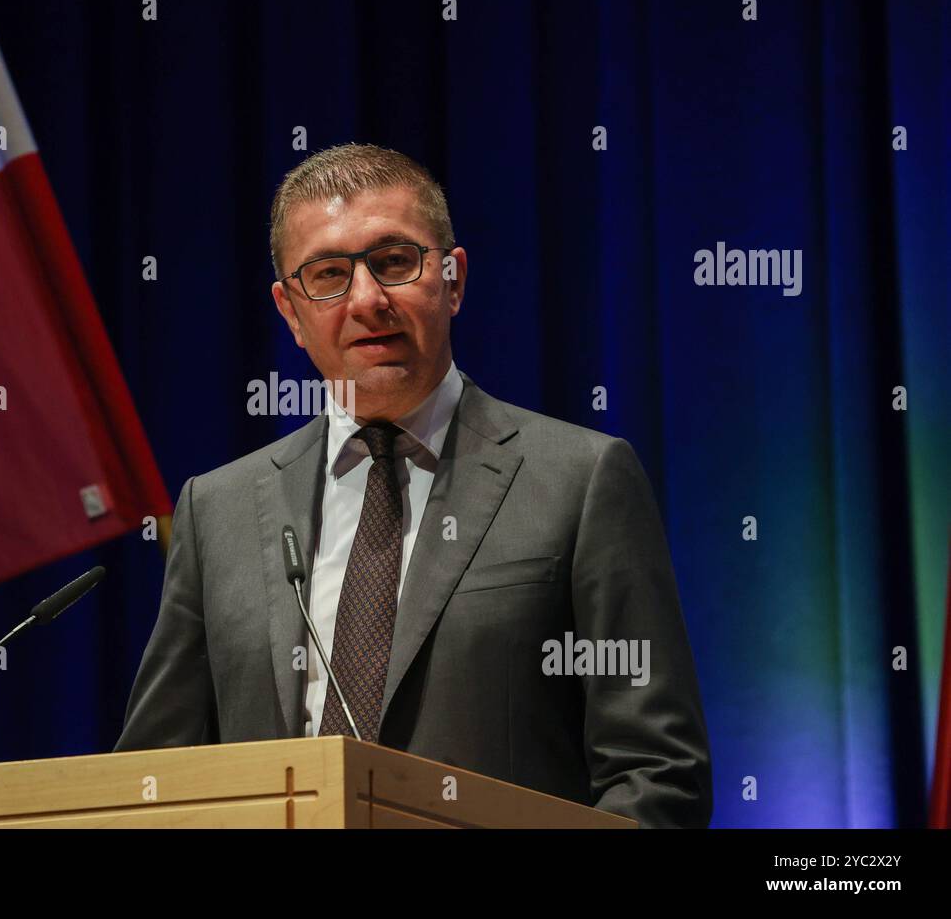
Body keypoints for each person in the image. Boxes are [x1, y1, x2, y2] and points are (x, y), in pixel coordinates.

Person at [115, 143, 712, 828]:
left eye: (395, 262)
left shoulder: (581, 481)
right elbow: (153, 782)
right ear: (290, 311)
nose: (368, 299)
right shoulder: (215, 511)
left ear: (452, 279)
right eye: (329, 275)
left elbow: (657, 775)